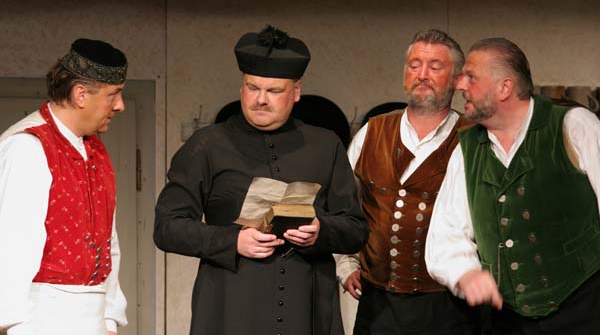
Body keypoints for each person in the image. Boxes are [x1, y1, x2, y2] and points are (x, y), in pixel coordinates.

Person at [153, 25, 369, 335]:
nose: (260, 100)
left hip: (306, 307)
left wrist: (320, 231)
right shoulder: (207, 145)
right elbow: (167, 227)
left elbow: (356, 229)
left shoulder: (325, 145)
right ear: (242, 88)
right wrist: (232, 241)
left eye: (274, 91)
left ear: (296, 91)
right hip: (231, 307)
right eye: (252, 88)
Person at [425, 37, 600, 334]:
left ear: (504, 88)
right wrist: (466, 273)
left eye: (471, 77)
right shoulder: (466, 150)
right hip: (506, 319)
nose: (459, 84)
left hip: (586, 309)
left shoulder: (574, 125)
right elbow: (446, 233)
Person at [336, 29, 480, 334]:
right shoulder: (372, 132)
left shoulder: (475, 140)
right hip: (378, 304)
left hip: (449, 306)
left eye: (435, 67)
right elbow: (343, 207)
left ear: (457, 79)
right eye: (415, 65)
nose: (422, 74)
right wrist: (345, 264)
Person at [0, 39, 128, 334]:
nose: (120, 105)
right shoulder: (27, 146)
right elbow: (11, 247)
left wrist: (109, 318)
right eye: (113, 95)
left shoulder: (94, 149)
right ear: (80, 94)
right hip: (39, 318)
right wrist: (17, 327)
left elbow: (108, 240)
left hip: (92, 319)